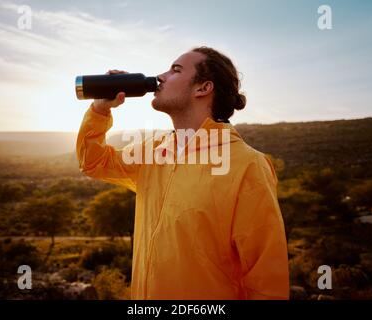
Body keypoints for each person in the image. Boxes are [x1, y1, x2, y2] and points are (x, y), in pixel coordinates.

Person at [76, 46, 289, 299]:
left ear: (203, 88)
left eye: (175, 70)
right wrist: (100, 110)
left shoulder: (247, 165)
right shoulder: (153, 152)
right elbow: (93, 162)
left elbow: (265, 278)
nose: (161, 76)